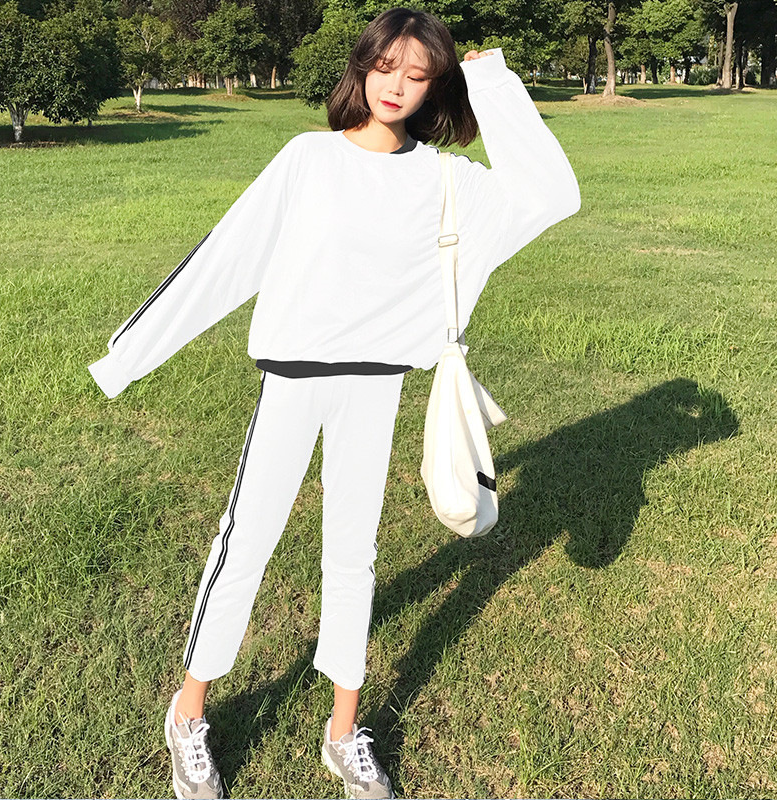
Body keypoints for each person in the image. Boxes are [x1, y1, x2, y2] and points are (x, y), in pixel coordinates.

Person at [88, 7, 580, 799]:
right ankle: (189, 713)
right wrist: (127, 357)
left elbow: (552, 194)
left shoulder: (447, 180)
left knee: (353, 555)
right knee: (245, 543)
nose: (397, 87)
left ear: (435, 86)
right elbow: (225, 257)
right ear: (362, 68)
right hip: (294, 378)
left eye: (418, 75)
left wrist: (491, 82)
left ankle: (343, 731)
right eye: (386, 68)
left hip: (376, 382)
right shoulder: (308, 159)